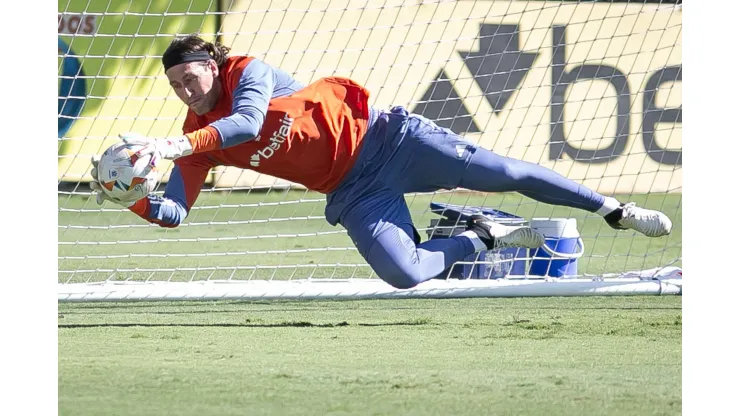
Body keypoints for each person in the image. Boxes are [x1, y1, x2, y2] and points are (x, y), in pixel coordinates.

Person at [90, 34, 673, 290]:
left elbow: (245, 122)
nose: (182, 90)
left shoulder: (248, 71)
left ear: (211, 66)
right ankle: (484, 236)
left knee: (511, 173)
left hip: (391, 142)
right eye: (172, 85)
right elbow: (174, 214)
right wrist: (133, 197)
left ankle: (613, 209)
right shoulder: (197, 137)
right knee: (406, 274)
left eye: (188, 76)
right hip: (353, 191)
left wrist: (170, 146)